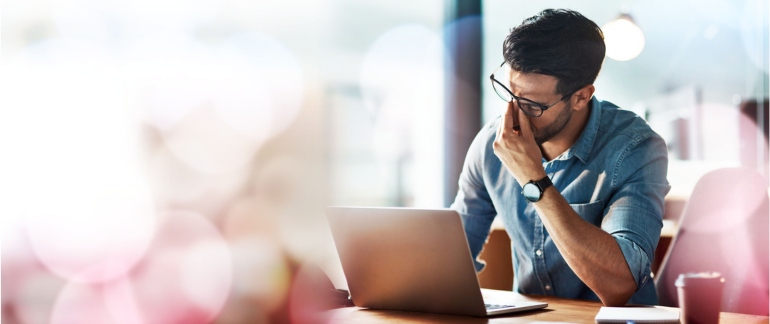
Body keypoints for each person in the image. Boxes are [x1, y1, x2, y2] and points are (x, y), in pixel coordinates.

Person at [451, 8, 670, 306]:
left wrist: (534, 180)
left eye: (531, 104)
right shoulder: (492, 143)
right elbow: (453, 253)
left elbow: (620, 285)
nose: (513, 114)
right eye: (508, 92)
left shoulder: (635, 148)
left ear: (581, 97)